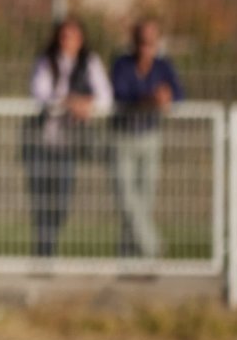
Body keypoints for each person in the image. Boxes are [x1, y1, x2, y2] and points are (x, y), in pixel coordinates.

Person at [23, 17, 113, 258]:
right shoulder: (46, 61)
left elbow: (105, 98)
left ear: (81, 39)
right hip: (43, 140)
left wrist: (87, 105)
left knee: (61, 201)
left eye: (72, 36)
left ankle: (48, 244)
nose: (67, 41)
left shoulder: (89, 62)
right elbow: (40, 94)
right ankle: (44, 253)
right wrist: (68, 102)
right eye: (64, 36)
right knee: (41, 199)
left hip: (70, 143)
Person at [108, 18, 184, 258]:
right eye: (142, 41)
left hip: (150, 136)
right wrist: (149, 99)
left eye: (151, 41)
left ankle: (129, 259)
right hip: (123, 137)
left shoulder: (163, 66)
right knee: (127, 199)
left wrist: (167, 97)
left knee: (145, 200)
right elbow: (120, 94)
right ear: (134, 41)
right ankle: (153, 248)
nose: (146, 46)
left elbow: (179, 94)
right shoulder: (122, 64)